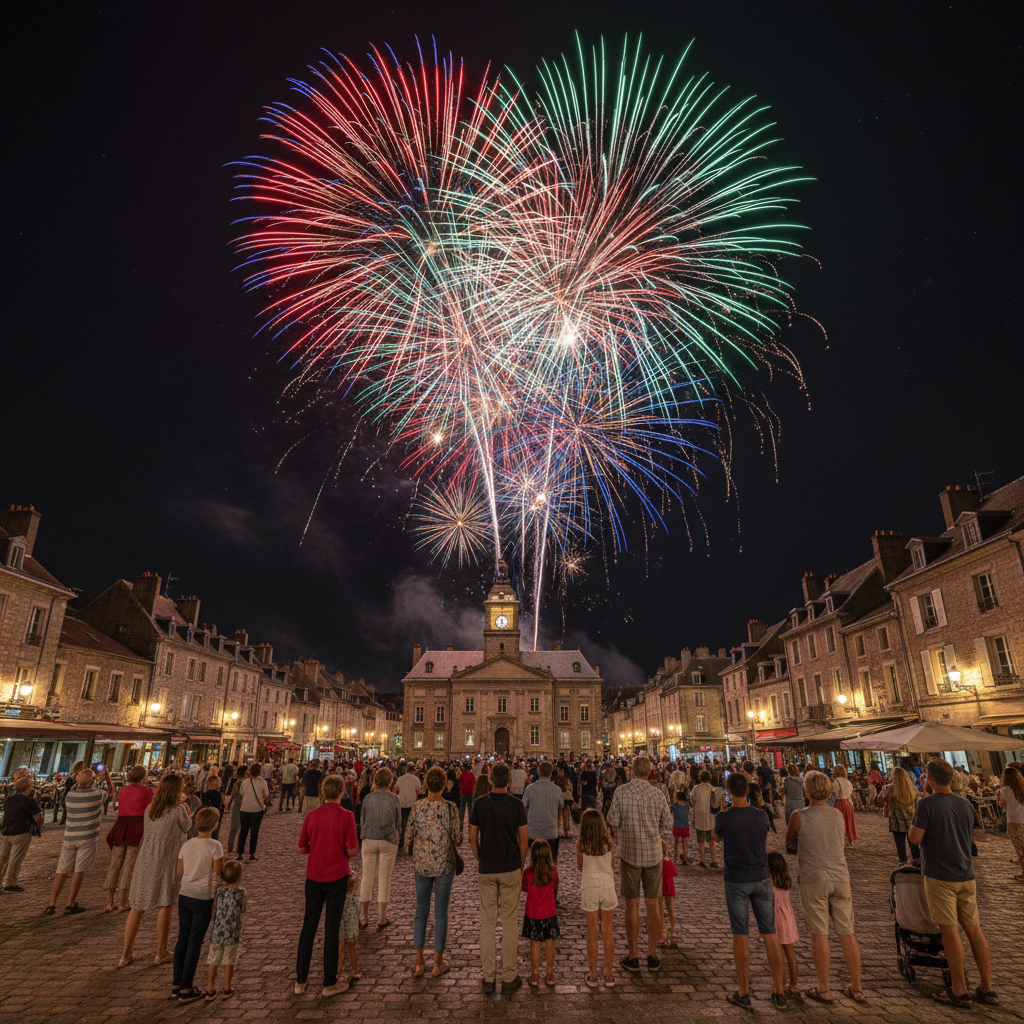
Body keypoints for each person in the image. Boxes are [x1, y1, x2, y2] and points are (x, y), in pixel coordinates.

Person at [908, 758, 998, 1007]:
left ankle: (959, 989)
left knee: (949, 931)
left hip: (940, 875)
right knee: (974, 929)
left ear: (930, 779)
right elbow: (971, 836)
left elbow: (915, 838)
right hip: (966, 874)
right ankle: (987, 987)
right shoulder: (965, 804)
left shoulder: (926, 804)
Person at [785, 771, 863, 1004]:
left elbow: (789, 839)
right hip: (840, 877)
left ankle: (824, 987)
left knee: (819, 934)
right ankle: (856, 986)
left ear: (806, 790)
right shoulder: (837, 814)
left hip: (814, 878)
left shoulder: (799, 815)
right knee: (847, 933)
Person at [715, 772, 787, 1010]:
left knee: (741, 935)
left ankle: (744, 992)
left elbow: (715, 838)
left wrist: (724, 811)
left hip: (736, 881)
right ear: (748, 790)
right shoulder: (761, 816)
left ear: (729, 791)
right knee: (770, 934)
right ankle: (779, 991)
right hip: (761, 879)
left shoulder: (724, 818)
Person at [606, 755, 671, 974]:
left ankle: (633, 955)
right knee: (653, 905)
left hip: (630, 854)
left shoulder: (622, 791)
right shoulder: (658, 793)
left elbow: (612, 820)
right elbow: (667, 824)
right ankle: (652, 955)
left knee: (632, 906)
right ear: (650, 772)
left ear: (632, 772)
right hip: (653, 855)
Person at [295, 774, 358, 998]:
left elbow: (302, 848)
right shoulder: (347, 816)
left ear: (323, 793)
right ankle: (329, 982)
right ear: (341, 793)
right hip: (336, 877)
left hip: (313, 877)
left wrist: (317, 845)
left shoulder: (312, 815)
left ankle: (300, 980)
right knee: (332, 930)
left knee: (308, 927)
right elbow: (352, 850)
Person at [121, 772, 192, 967]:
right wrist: (186, 807)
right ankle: (161, 952)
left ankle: (125, 955)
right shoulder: (177, 810)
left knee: (137, 907)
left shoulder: (151, 809)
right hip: (166, 860)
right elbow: (187, 826)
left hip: (146, 859)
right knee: (165, 904)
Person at [469, 760, 528, 994]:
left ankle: (489, 976)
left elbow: (472, 836)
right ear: (510, 781)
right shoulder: (516, 805)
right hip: (510, 867)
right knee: (510, 922)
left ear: (491, 780)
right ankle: (510, 975)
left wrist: (480, 857)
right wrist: (520, 864)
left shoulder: (480, 804)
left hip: (488, 867)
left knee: (487, 921)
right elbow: (524, 839)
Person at [407, 766, 462, 978]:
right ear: (443, 785)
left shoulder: (417, 806)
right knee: (440, 913)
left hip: (421, 865)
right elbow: (457, 838)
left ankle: (419, 961)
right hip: (444, 865)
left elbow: (408, 838)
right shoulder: (450, 808)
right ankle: (438, 962)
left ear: (427, 784)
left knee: (421, 911)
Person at [46, 767, 114, 916]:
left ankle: (52, 903)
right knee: (79, 870)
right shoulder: (96, 794)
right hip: (88, 838)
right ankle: (70, 902)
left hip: (70, 837)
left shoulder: (70, 796)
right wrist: (107, 776)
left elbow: (80, 784)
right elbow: (110, 793)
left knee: (61, 870)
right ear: (93, 781)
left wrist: (81, 777)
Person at [173, 806, 224, 1002]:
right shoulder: (215, 845)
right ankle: (187, 987)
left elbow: (179, 871)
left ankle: (176, 983)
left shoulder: (187, 845)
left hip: (185, 894)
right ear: (215, 825)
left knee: (182, 938)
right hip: (203, 896)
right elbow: (218, 871)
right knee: (195, 941)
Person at [105, 764, 154, 912]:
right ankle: (123, 901)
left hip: (121, 826)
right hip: (137, 827)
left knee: (115, 863)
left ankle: (109, 901)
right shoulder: (148, 791)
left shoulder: (123, 790)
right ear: (143, 777)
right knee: (129, 865)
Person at [577, 808, 617, 988]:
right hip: (607, 887)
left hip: (590, 887)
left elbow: (581, 867)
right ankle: (608, 972)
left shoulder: (581, 845)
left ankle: (593, 974)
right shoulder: (608, 844)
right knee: (608, 932)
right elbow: (612, 864)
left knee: (592, 932)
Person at [359, 766, 402, 928]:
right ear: (390, 781)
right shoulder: (393, 799)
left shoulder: (368, 798)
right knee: (384, 878)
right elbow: (398, 822)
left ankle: (363, 915)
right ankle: (382, 917)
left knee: (367, 877)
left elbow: (362, 819)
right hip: (388, 839)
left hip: (369, 839)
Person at [206, 859, 246, 1000]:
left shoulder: (218, 893)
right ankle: (227, 987)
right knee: (229, 960)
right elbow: (243, 909)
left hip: (217, 931)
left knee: (214, 960)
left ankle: (210, 988)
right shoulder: (241, 892)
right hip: (233, 932)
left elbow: (213, 911)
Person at [522, 839, 559, 986]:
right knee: (550, 942)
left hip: (533, 913)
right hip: (549, 912)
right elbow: (556, 884)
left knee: (535, 943)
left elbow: (524, 888)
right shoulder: (552, 871)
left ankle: (535, 974)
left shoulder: (528, 873)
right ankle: (549, 973)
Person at [1, 773, 43, 892]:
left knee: (3, 859)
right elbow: (38, 819)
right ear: (29, 787)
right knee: (16, 858)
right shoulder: (30, 802)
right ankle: (10, 883)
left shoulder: (9, 799)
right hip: (21, 832)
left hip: (7, 832)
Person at [767, 851, 801, 998]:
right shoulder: (785, 881)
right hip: (788, 920)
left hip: (776, 920)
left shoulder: (770, 881)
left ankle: (781, 982)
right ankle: (793, 985)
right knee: (790, 954)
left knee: (778, 953)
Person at [523, 761, 564, 863]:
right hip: (551, 832)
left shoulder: (530, 789)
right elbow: (561, 807)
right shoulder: (557, 790)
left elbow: (523, 807)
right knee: (552, 862)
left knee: (534, 862)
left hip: (534, 832)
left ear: (538, 772)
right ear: (551, 773)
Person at [880, 766, 920, 864]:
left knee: (900, 846)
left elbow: (878, 801)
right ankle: (918, 862)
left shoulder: (889, 788)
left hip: (896, 821)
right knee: (914, 845)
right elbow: (918, 805)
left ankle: (903, 864)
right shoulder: (913, 789)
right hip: (911, 820)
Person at [235, 763, 269, 861]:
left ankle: (240, 853)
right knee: (254, 832)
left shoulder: (245, 782)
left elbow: (241, 792)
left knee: (243, 831)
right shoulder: (262, 782)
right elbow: (266, 794)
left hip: (244, 809)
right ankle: (252, 853)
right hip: (257, 809)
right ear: (259, 772)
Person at [689, 769, 722, 868]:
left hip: (699, 817)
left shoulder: (696, 788)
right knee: (711, 840)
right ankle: (714, 860)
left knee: (701, 841)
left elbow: (692, 800)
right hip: (710, 817)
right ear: (710, 778)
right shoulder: (712, 789)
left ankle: (702, 860)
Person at [996, 766, 1024, 881]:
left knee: (1020, 850)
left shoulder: (1004, 790)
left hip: (1013, 821)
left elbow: (1002, 805)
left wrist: (998, 799)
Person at [338, 872, 361, 983]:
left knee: (340, 950)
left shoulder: (337, 901)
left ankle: (338, 973)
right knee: (352, 950)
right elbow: (359, 912)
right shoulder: (354, 901)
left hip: (340, 929)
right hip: (351, 930)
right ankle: (354, 970)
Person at [395, 762, 421, 853]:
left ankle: (401, 842)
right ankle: (411, 845)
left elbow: (395, 790)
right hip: (412, 803)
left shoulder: (400, 779)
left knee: (401, 824)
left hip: (401, 803)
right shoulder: (416, 779)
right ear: (413, 770)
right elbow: (418, 791)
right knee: (412, 825)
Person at [831, 765, 857, 847]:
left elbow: (832, 791)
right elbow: (850, 791)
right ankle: (850, 840)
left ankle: (839, 840)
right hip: (848, 803)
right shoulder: (848, 782)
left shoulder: (836, 781)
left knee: (839, 822)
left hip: (839, 803)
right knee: (849, 821)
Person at [659, 837, 678, 948]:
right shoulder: (669, 863)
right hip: (669, 888)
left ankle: (661, 929)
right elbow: (675, 873)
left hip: (660, 888)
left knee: (661, 909)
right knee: (671, 909)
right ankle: (672, 927)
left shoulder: (658, 864)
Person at [782, 763, 805, 831]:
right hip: (800, 803)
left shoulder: (787, 780)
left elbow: (785, 791)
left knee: (790, 823)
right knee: (801, 824)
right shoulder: (801, 780)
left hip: (790, 803)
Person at [201, 776, 224, 841]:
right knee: (213, 838)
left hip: (204, 820)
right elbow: (221, 810)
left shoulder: (203, 795)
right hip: (215, 820)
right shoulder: (219, 795)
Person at [671, 788, 690, 864]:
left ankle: (676, 858)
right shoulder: (686, 806)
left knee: (676, 843)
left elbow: (673, 800)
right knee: (685, 843)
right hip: (685, 826)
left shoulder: (675, 806)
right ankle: (685, 858)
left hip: (677, 826)